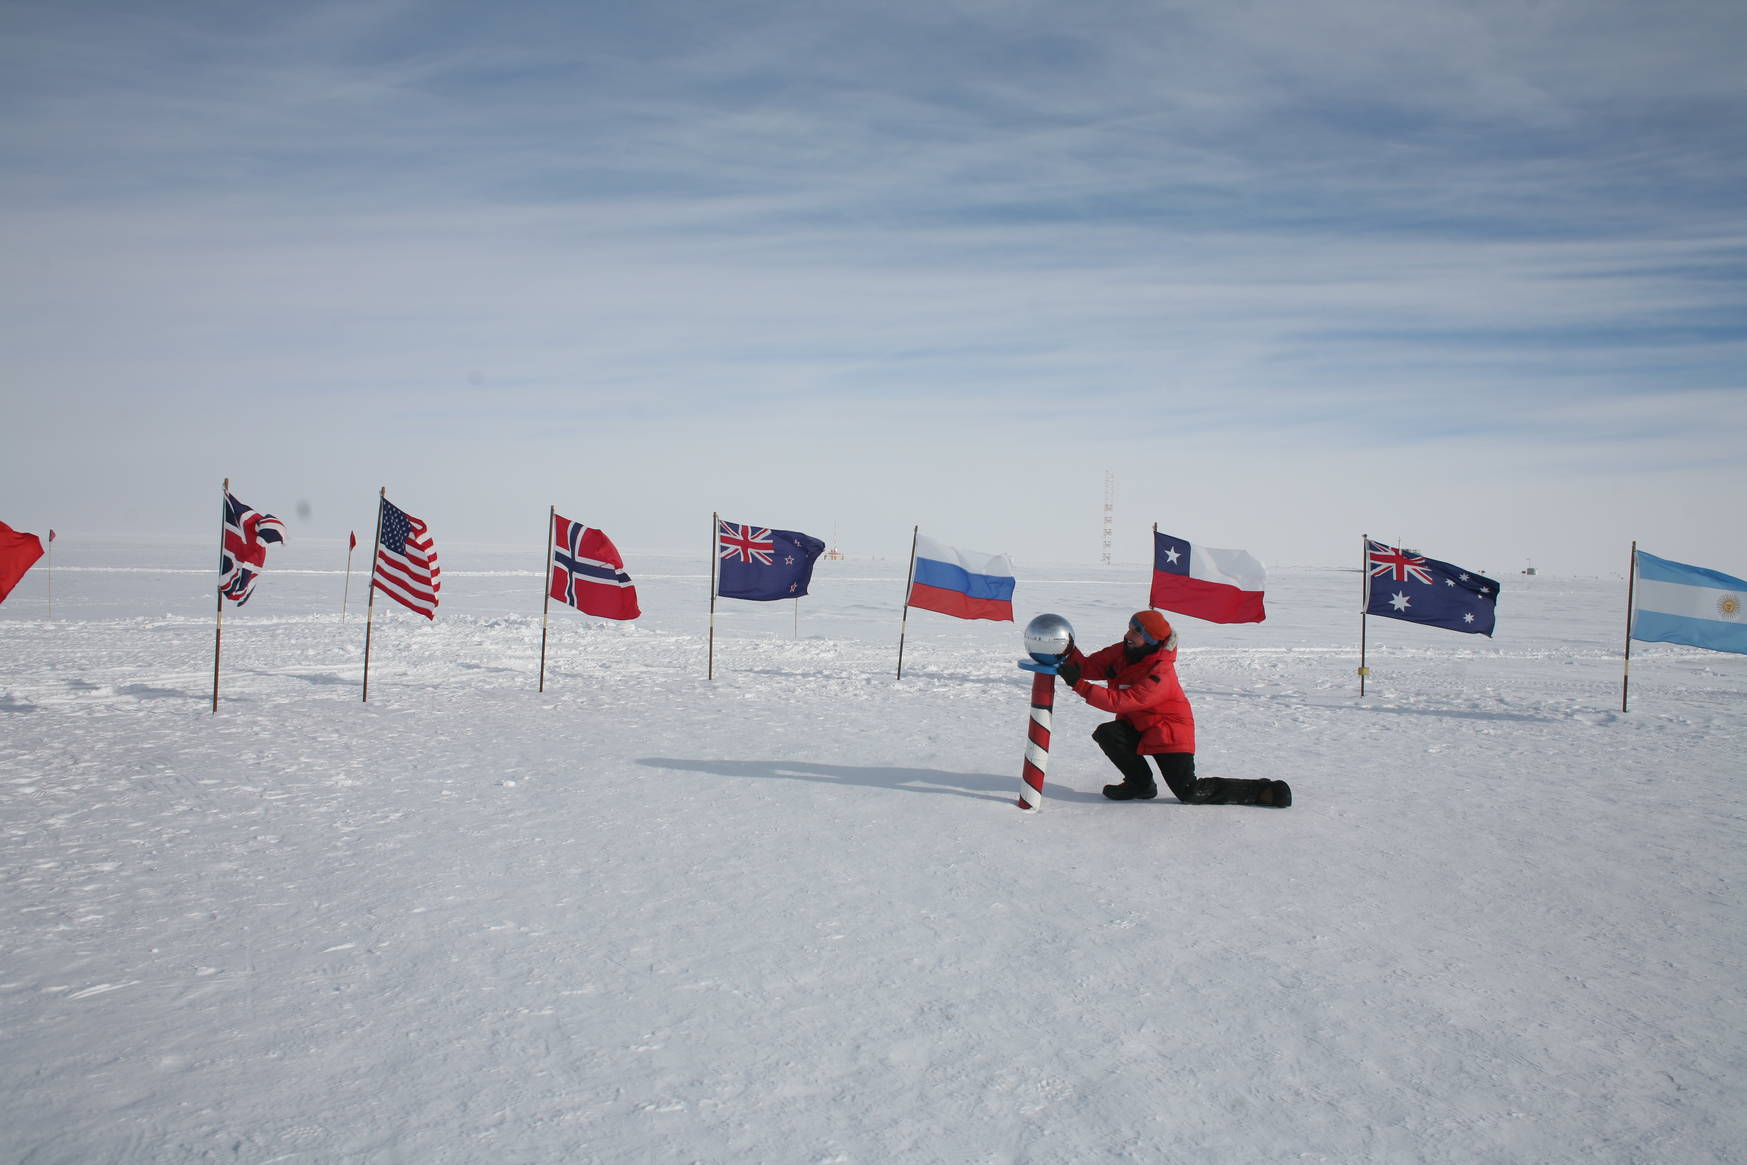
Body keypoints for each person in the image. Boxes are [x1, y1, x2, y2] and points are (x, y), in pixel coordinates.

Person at [1055, 610, 1291, 807]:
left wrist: (1080, 686)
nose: (1128, 634)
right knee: (1108, 734)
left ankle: (1261, 790)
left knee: (1189, 791)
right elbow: (1087, 667)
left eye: (1136, 632)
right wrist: (1067, 650)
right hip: (1137, 725)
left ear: (1152, 640)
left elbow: (1123, 701)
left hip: (1169, 733)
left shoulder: (1161, 673)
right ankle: (1140, 785)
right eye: (1129, 627)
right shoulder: (1121, 652)